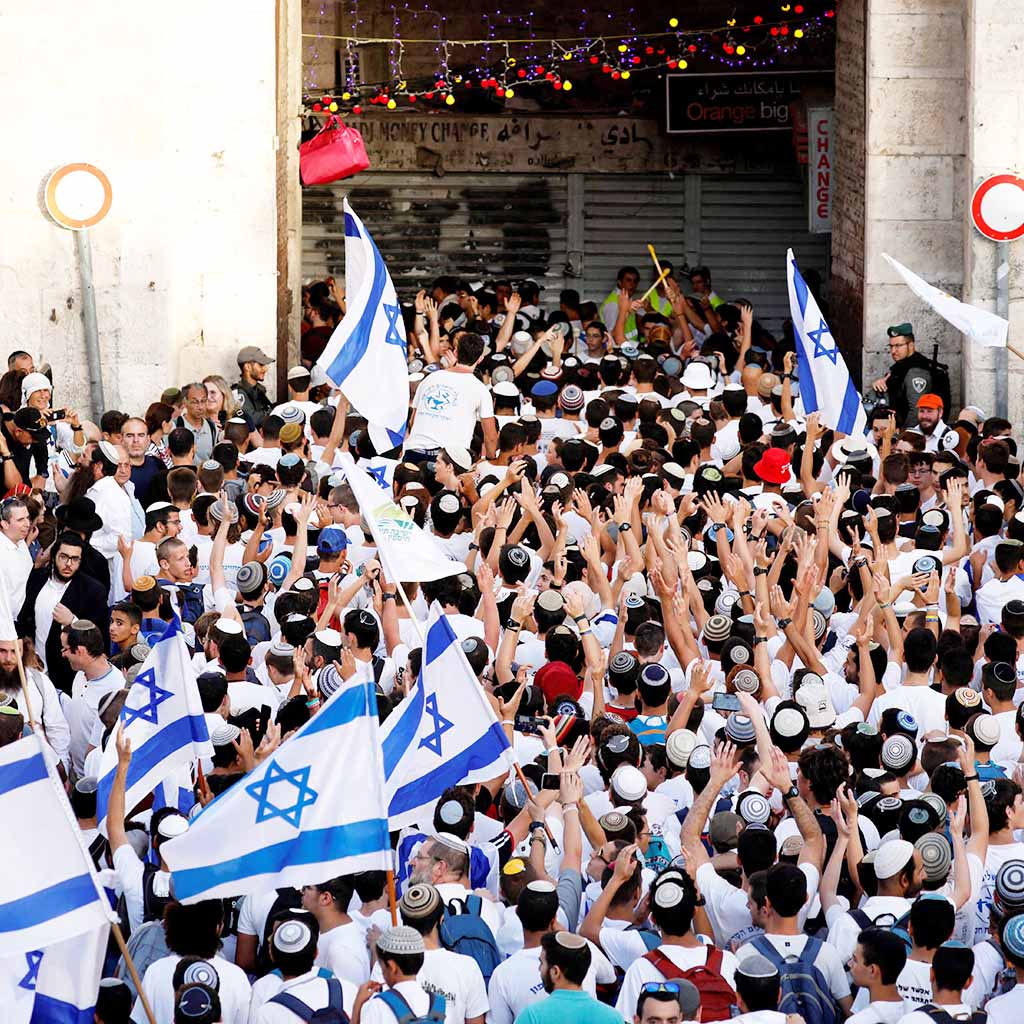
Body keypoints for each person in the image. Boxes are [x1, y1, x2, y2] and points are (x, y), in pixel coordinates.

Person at [17, 530, 108, 690]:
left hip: (68, 675)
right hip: (32, 668)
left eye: (74, 559)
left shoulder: (93, 591)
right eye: (63, 557)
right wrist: (27, 652)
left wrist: (73, 622)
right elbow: (24, 619)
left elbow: (99, 638)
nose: (68, 564)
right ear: (54, 556)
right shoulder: (37, 579)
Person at [405, 333, 497, 462]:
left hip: (414, 452)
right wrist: (490, 459)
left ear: (455, 353)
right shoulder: (480, 389)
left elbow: (413, 421)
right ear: (480, 358)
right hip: (449, 459)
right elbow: (490, 435)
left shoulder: (430, 378)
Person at [511, 931, 624, 1024]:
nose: (539, 969)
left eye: (542, 963)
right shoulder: (613, 1019)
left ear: (555, 972)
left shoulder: (532, 1017)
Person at [355, 926, 447, 1024]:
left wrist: (358, 1005)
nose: (383, 973)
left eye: (382, 967)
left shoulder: (377, 1006)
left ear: (392, 966)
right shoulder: (440, 1004)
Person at [870, 324, 951, 428]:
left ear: (911, 345)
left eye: (898, 346)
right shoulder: (901, 367)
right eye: (891, 346)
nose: (893, 351)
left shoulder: (917, 371)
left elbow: (916, 412)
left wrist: (904, 437)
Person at [0, 494, 33, 617]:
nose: (27, 524)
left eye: (27, 518)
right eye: (20, 520)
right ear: (5, 524)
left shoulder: (21, 541)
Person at [233, 346, 275, 428]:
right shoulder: (238, 393)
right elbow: (250, 419)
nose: (265, 369)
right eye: (261, 365)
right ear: (247, 367)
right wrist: (272, 412)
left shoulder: (259, 390)